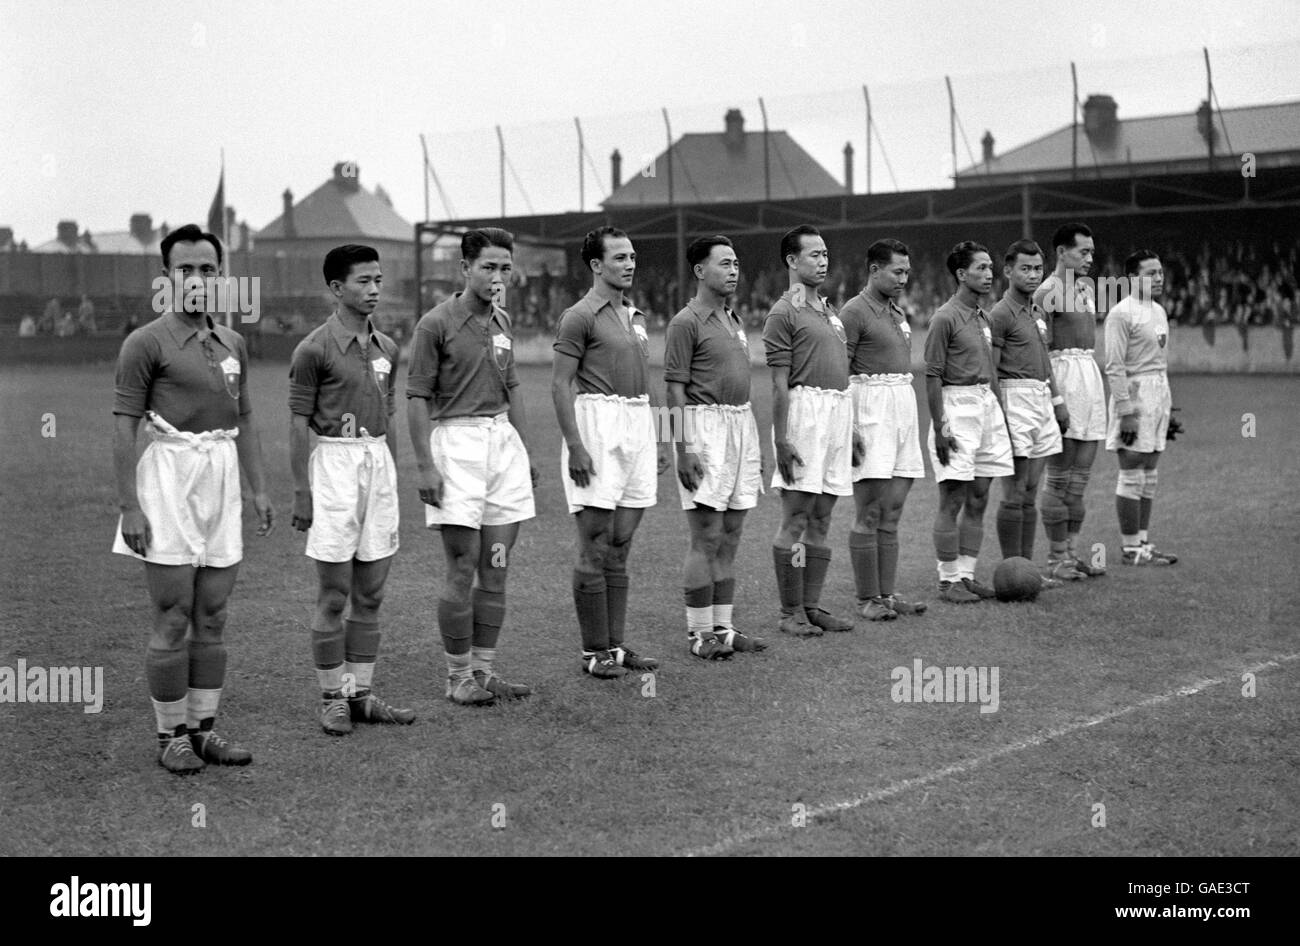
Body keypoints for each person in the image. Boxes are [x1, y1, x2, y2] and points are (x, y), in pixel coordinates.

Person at [112, 223, 275, 774]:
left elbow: (245, 417)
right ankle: (169, 736)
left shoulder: (234, 343)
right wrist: (130, 506)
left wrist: (257, 488)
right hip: (167, 479)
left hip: (220, 476)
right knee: (173, 612)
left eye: (208, 269)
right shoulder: (146, 342)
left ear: (220, 275)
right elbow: (124, 426)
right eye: (186, 269)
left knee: (213, 612)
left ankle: (203, 730)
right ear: (167, 277)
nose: (198, 278)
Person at [407, 228, 538, 706]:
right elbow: (417, 398)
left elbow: (514, 389)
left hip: (501, 444)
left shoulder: (503, 321)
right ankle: (456, 676)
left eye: (505, 267)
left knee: (496, 567)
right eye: (488, 267)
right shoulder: (434, 324)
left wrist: (525, 453)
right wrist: (424, 466)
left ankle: (484, 670)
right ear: (464, 269)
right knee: (463, 565)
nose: (498, 276)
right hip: (456, 445)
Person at [290, 244, 414, 735]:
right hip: (333, 467)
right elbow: (298, 424)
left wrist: (394, 474)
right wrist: (302, 491)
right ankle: (332, 697)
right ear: (337, 288)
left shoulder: (387, 347)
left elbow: (389, 416)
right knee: (335, 593)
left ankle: (360, 694)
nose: (375, 289)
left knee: (373, 592)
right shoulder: (313, 349)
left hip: (376, 464)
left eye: (379, 280)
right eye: (364, 281)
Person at [552, 226, 671, 678]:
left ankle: (616, 647)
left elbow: (649, 381)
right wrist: (575, 446)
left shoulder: (637, 317)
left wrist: (663, 438)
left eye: (633, 256)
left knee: (621, 543)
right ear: (597, 265)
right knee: (595, 542)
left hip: (638, 423)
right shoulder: (578, 316)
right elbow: (560, 384)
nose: (630, 264)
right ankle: (593, 652)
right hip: (598, 425)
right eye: (620, 257)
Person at [664, 236, 766, 659]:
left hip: (740, 424)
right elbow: (671, 390)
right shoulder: (685, 322)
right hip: (703, 428)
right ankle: (697, 634)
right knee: (705, 535)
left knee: (731, 534)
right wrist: (682, 447)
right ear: (700, 271)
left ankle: (722, 627)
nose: (734, 270)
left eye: (737, 263)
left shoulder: (735, 319)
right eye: (724, 263)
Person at [763, 225, 862, 636]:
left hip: (837, 412)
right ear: (791, 261)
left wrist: (851, 426)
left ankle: (812, 604)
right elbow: (778, 384)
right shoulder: (783, 312)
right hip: (805, 413)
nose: (823, 261)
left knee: (823, 516)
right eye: (813, 255)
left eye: (825, 255)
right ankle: (790, 613)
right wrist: (782, 439)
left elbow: (842, 373)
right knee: (798, 516)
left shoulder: (828, 308)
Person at [839, 239, 928, 621]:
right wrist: (851, 427)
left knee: (892, 510)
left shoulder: (897, 310)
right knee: (870, 511)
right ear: (874, 270)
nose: (904, 279)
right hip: (869, 405)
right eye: (897, 271)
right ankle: (866, 600)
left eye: (907, 272)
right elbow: (840, 372)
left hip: (902, 406)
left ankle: (887, 595)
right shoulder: (853, 312)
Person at [925, 241, 1014, 603]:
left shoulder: (984, 316)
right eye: (980, 267)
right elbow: (931, 375)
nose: (989, 273)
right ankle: (947, 581)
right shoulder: (944, 317)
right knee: (953, 498)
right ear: (961, 274)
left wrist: (1001, 415)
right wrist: (942, 426)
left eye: (990, 266)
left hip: (985, 406)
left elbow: (990, 371)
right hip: (956, 406)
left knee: (979, 497)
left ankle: (966, 574)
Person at [989, 239, 1069, 572]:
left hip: (1040, 398)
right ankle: (1013, 568)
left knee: (1031, 490)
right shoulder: (999, 314)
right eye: (1025, 268)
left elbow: (1044, 361)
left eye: (1038, 269)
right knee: (1015, 491)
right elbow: (991, 369)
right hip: (1014, 397)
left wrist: (1058, 400)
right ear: (1008, 271)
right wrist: (1001, 415)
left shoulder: (1037, 311)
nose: (1033, 275)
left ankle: (1028, 569)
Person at [1035, 222, 1106, 579]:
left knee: (1080, 482)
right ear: (1062, 252)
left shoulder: (1085, 288)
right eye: (1084, 251)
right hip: (1063, 378)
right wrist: (1056, 397)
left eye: (1092, 251)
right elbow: (1039, 349)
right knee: (1059, 480)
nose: (1090, 258)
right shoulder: (1046, 291)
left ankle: (1073, 554)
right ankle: (1055, 559)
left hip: (1089, 377)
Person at [1104, 250, 1181, 565]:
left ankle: (1143, 544)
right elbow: (1114, 365)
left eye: (1160, 272)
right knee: (1133, 469)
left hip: (1158, 392)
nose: (1159, 278)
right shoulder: (1121, 314)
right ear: (1132, 279)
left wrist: (1165, 407)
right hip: (1134, 394)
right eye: (1151, 274)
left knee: (1150, 472)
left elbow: (1158, 362)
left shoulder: (1159, 311)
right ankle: (1129, 548)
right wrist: (1126, 410)